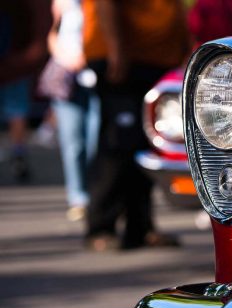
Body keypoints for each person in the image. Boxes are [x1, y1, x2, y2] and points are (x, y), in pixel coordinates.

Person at [82, 0, 189, 250]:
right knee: (117, 142)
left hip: (154, 60)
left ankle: (140, 228)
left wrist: (183, 46)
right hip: (122, 59)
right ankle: (100, 227)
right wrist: (116, 49)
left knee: (146, 145)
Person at [47, 0, 100, 221]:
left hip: (97, 76)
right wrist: (65, 58)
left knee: (95, 140)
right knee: (73, 143)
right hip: (67, 79)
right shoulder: (63, 3)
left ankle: (97, 193)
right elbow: (53, 34)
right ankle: (78, 197)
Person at [0, 1, 52, 182]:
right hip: (17, 63)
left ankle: (18, 153)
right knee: (17, 111)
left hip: (16, 63)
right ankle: (18, 152)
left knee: (17, 111)